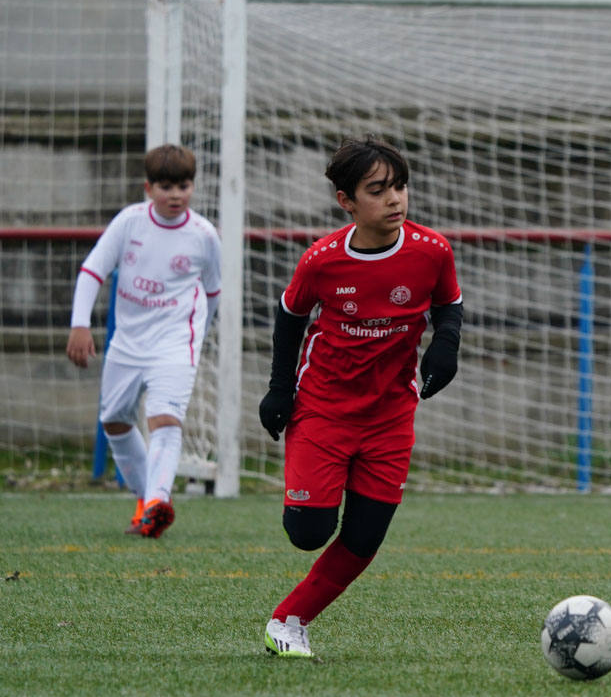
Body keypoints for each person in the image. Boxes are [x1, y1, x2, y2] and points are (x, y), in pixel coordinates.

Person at [258, 136, 462, 658]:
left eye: (400, 187)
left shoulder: (432, 250)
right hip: (323, 409)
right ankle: (317, 485)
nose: (395, 199)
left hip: (391, 415)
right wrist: (279, 390)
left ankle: (289, 620)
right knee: (308, 532)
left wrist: (446, 346)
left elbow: (449, 305)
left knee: (365, 537)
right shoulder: (321, 261)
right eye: (378, 190)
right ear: (346, 200)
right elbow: (290, 318)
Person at [66, 144, 222, 538]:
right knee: (115, 421)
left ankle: (157, 500)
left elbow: (213, 292)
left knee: (164, 419)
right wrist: (79, 325)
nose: (175, 195)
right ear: (148, 187)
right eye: (166, 186)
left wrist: (196, 336)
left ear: (192, 187)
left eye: (183, 186)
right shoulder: (129, 223)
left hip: (175, 342)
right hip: (127, 342)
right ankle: (145, 501)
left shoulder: (204, 235)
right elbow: (91, 271)